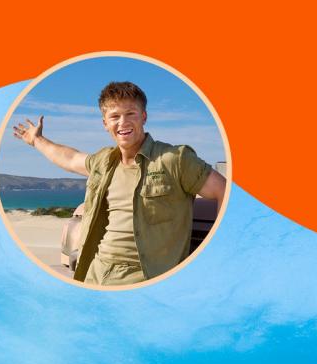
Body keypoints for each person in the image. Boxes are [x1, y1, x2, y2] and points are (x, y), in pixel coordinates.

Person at [13, 80, 226, 285]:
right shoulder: (104, 162)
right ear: (105, 124)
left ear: (143, 116)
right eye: (114, 116)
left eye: (130, 114)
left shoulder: (174, 159)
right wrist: (37, 140)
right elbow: (69, 158)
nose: (123, 122)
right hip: (96, 274)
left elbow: (223, 190)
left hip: (145, 280)